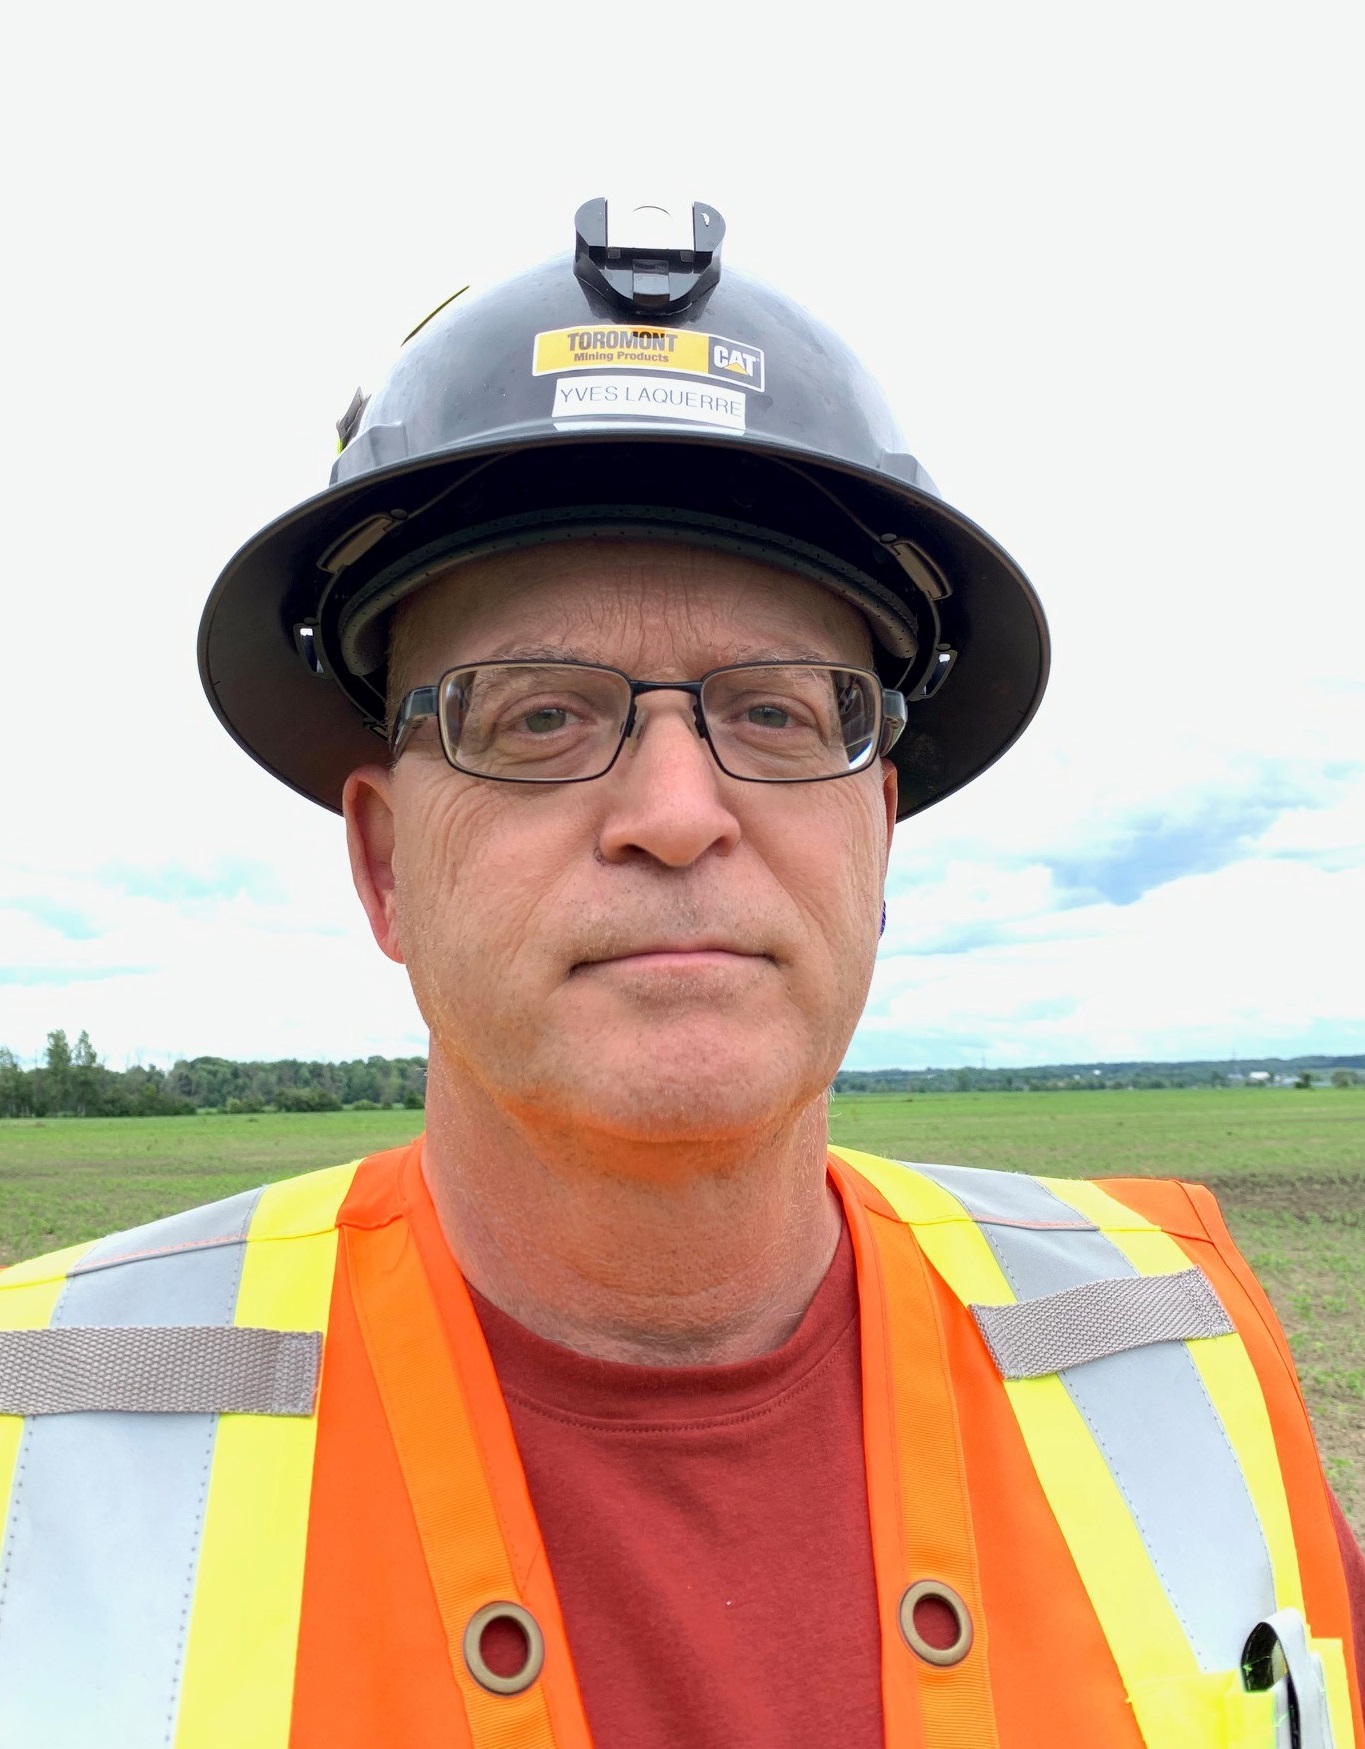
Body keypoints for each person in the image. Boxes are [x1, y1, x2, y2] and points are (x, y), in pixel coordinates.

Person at [0, 198, 1361, 1749]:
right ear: (384, 866)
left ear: (879, 837)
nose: (670, 813)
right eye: (536, 716)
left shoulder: (1175, 1341)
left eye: (779, 714)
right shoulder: (36, 1440)